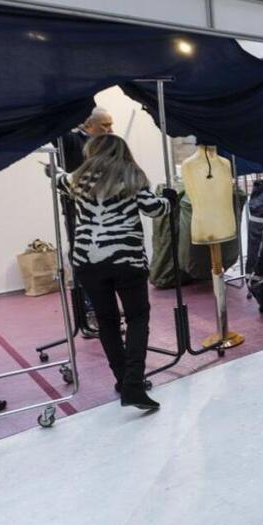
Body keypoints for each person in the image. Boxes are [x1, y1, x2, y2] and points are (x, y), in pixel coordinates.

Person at [54, 134, 176, 411]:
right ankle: (133, 383)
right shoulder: (132, 176)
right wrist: (168, 199)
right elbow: (154, 209)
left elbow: (59, 180)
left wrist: (53, 170)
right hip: (126, 259)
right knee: (137, 318)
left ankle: (123, 380)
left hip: (87, 261)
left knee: (107, 322)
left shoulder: (78, 178)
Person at [57, 108, 114, 337]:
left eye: (111, 125)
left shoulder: (109, 147)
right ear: (87, 126)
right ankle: (91, 312)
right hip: (78, 211)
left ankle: (103, 309)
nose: (111, 130)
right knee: (85, 259)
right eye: (105, 126)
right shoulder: (71, 141)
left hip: (104, 210)